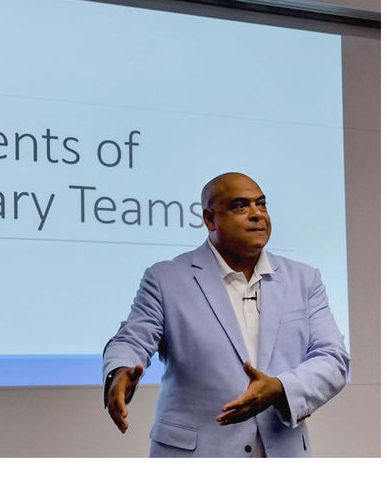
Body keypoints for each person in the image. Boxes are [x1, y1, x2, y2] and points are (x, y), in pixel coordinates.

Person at [102, 172, 349, 457]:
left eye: (261, 204)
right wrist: (120, 372)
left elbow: (333, 358)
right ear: (210, 219)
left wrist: (280, 388)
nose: (257, 214)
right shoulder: (166, 278)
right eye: (240, 206)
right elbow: (131, 338)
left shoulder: (304, 279)